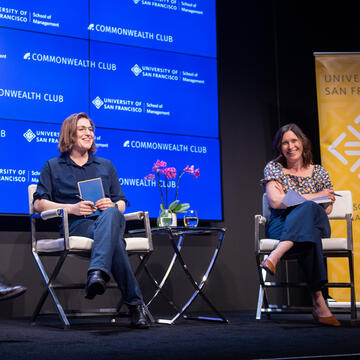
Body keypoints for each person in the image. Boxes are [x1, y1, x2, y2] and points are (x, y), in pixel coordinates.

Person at [33, 112, 149, 328]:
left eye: (91, 129)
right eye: (82, 129)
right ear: (69, 134)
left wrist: (112, 205)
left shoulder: (105, 165)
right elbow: (39, 204)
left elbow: (121, 202)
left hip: (109, 220)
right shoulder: (53, 166)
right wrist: (71, 208)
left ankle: (97, 272)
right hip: (78, 226)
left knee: (113, 214)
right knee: (115, 243)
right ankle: (136, 306)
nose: (89, 133)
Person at [260, 123, 340, 327]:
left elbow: (328, 208)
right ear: (280, 147)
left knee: (309, 210)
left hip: (315, 221)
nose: (290, 146)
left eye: (294, 140)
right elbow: (276, 202)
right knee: (308, 229)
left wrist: (295, 199)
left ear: (302, 143)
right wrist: (315, 196)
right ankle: (319, 303)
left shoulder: (319, 172)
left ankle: (275, 255)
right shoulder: (274, 168)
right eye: (284, 142)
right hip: (281, 223)